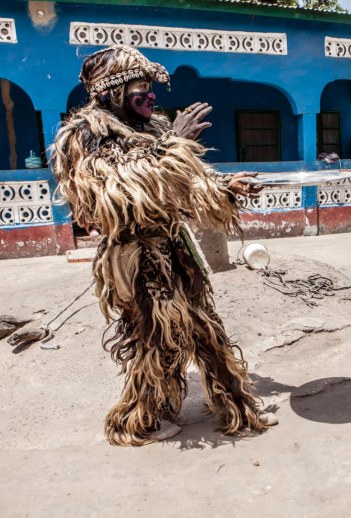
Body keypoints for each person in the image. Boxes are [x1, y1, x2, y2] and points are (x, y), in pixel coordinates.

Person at [50, 44, 274, 446]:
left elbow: (187, 181)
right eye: (141, 86)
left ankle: (235, 406)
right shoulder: (84, 135)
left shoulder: (152, 127)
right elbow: (121, 191)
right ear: (110, 91)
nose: (152, 96)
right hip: (136, 257)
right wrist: (174, 142)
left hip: (176, 250)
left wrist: (226, 186)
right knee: (156, 340)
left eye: (152, 87)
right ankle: (137, 421)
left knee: (207, 330)